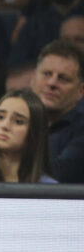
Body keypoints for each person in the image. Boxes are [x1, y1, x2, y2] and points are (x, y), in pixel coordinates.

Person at [0, 89, 55, 183]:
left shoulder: (51, 190)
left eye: (18, 121)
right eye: (0, 117)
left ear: (35, 133)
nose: (5, 126)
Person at [29, 39, 84, 182]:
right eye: (47, 74)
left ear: (80, 91)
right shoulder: (10, 119)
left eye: (63, 79)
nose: (52, 83)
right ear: (32, 79)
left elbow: (62, 173)